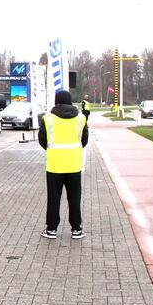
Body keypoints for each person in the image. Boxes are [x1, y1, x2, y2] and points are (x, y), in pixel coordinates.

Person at [38, 90, 89, 239]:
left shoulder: (48, 119)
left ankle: (51, 229)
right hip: (74, 165)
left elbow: (42, 140)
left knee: (54, 199)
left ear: (56, 101)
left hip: (55, 166)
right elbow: (84, 140)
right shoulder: (80, 118)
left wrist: (53, 150)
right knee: (74, 198)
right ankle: (76, 229)